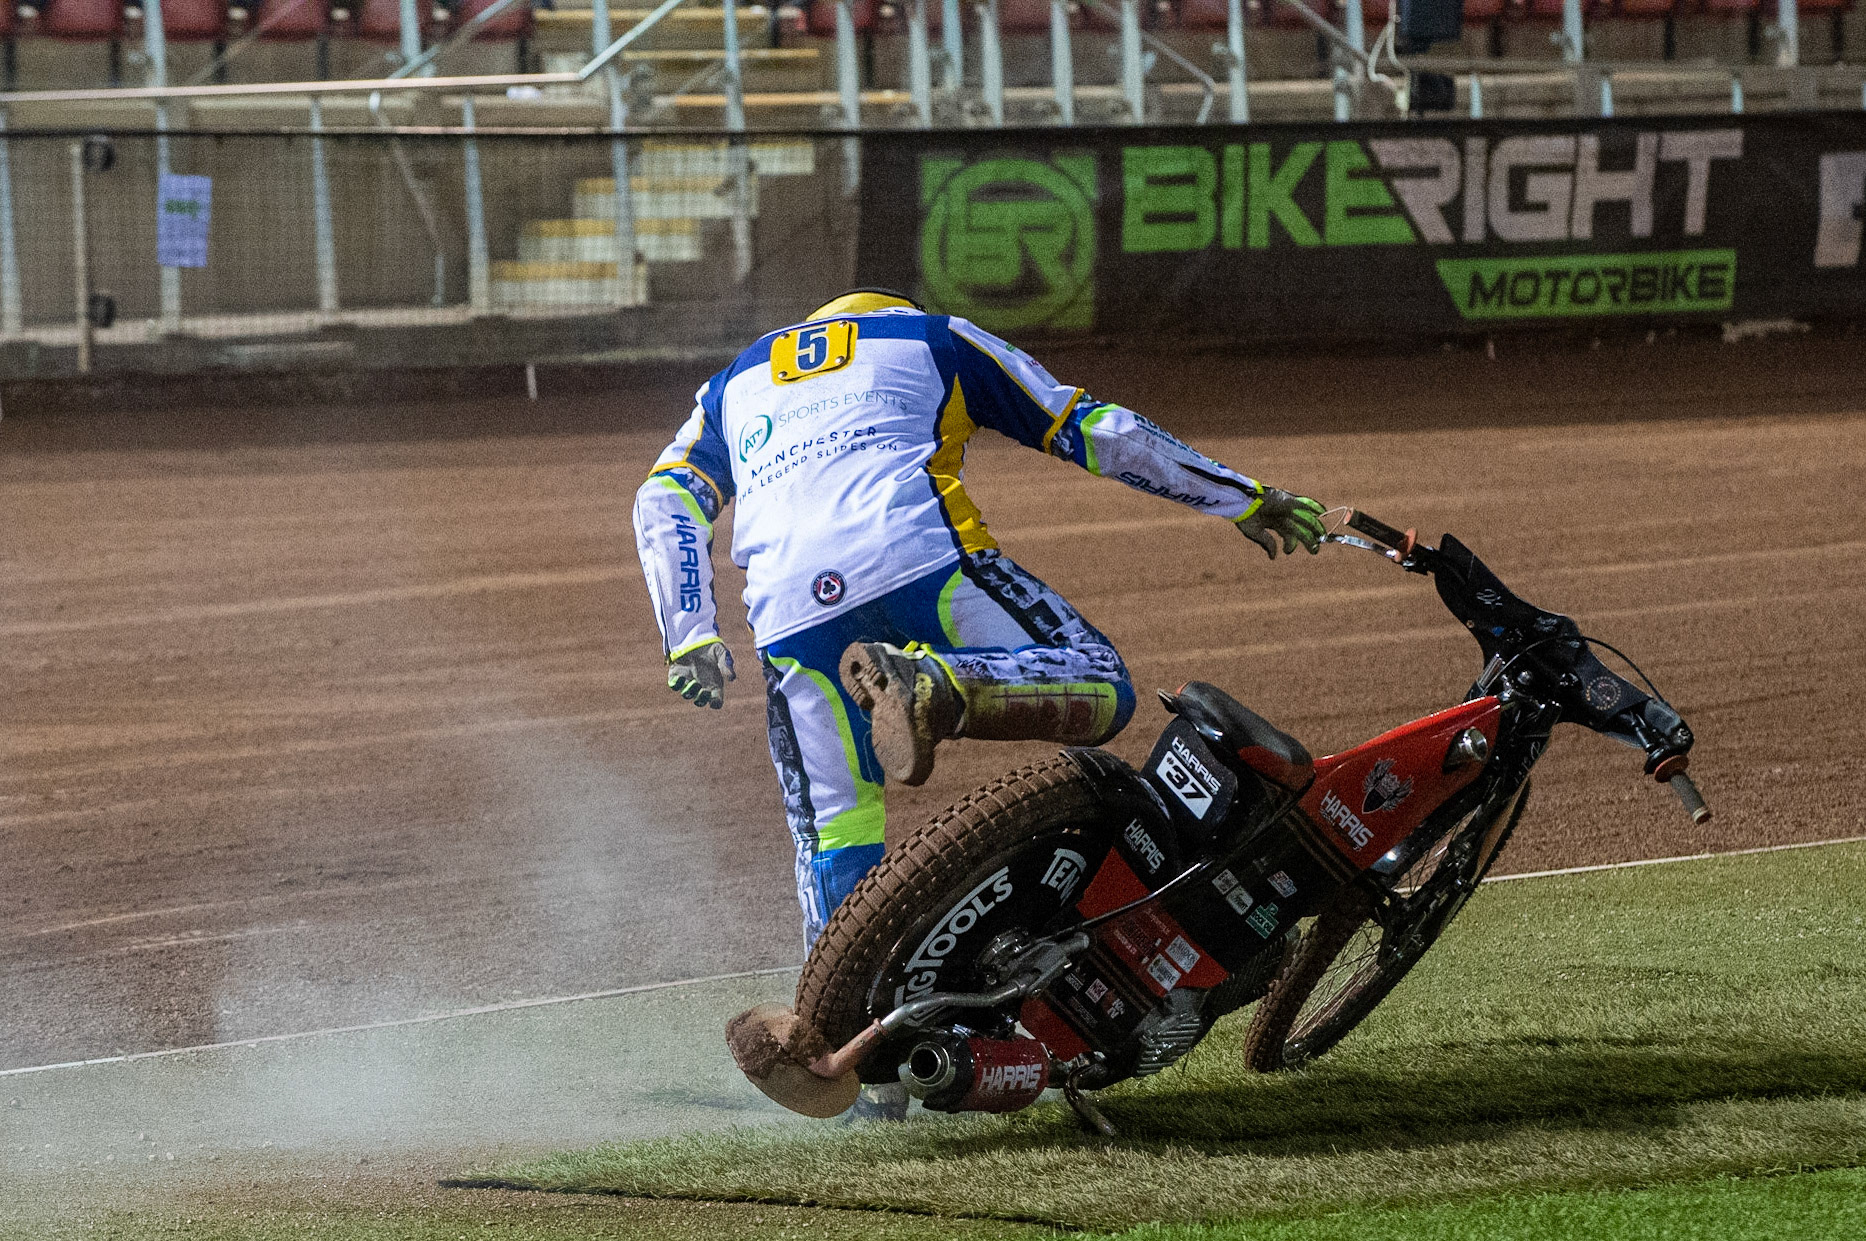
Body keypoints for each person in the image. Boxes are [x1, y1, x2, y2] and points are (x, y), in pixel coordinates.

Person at [633, 287, 1326, 949]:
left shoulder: (733, 382)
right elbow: (1090, 427)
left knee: (835, 830)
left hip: (787, 615)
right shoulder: (934, 336)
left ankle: (834, 1039)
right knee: (1101, 681)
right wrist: (1238, 496)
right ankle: (936, 683)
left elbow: (664, 496)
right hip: (922, 562)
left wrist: (688, 630)